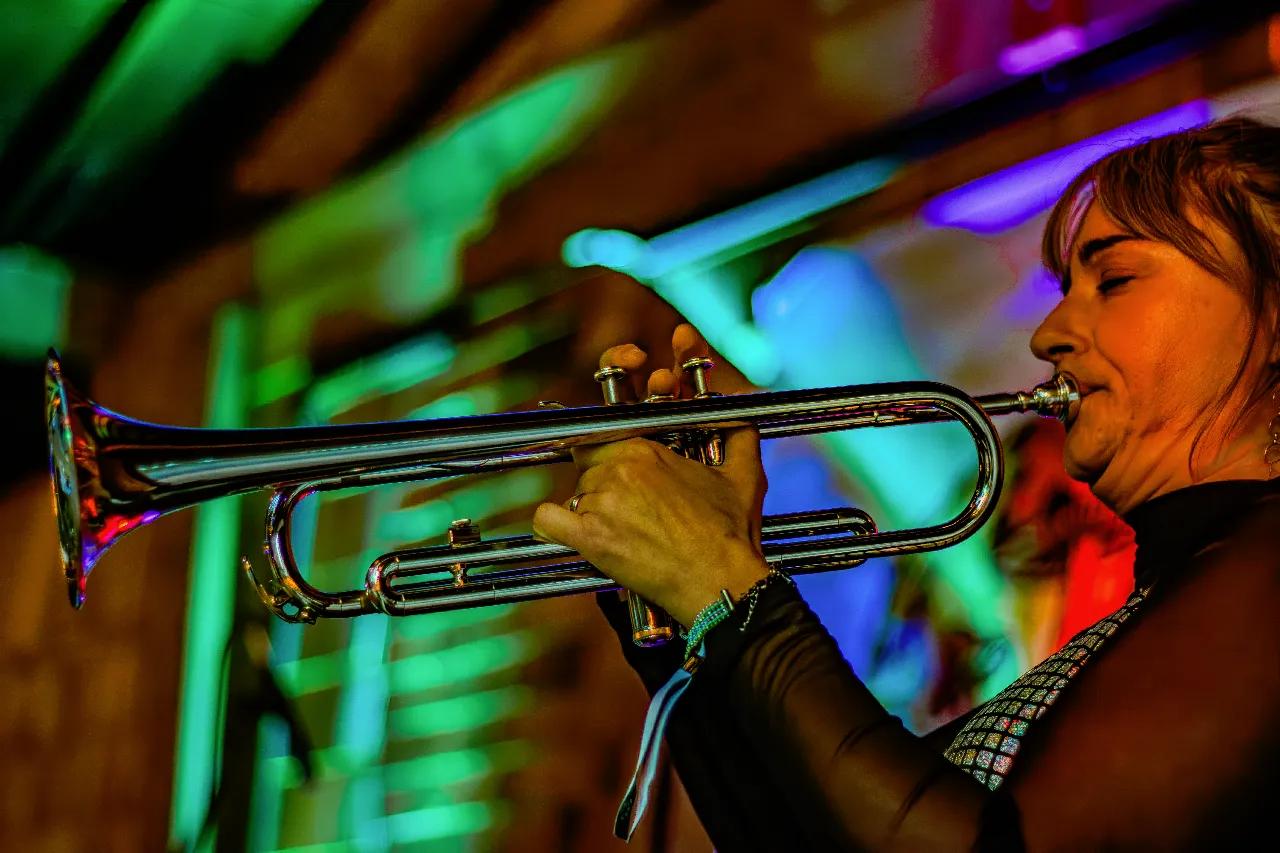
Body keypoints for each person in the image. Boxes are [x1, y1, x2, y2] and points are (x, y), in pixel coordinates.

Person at [532, 116, 1280, 850]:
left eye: (1113, 280)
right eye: (1066, 287)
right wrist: (676, 605)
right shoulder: (1182, 597)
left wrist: (728, 590)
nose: (1047, 334)